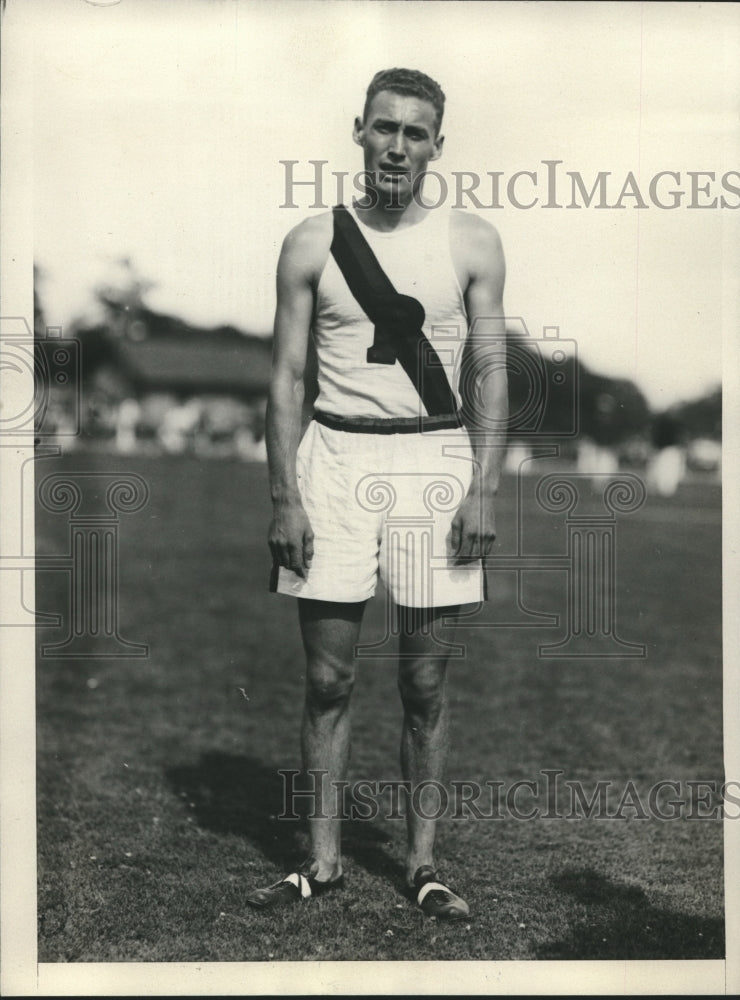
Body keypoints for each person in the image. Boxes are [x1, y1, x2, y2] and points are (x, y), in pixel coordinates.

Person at [248, 68, 508, 919]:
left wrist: (484, 486)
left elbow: (489, 372)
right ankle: (320, 863)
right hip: (333, 467)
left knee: (424, 686)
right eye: (384, 129)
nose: (398, 147)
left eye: (417, 133)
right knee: (327, 681)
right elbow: (285, 378)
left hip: (432, 467)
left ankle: (423, 864)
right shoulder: (309, 242)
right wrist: (284, 497)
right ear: (358, 129)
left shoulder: (470, 241)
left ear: (438, 143)